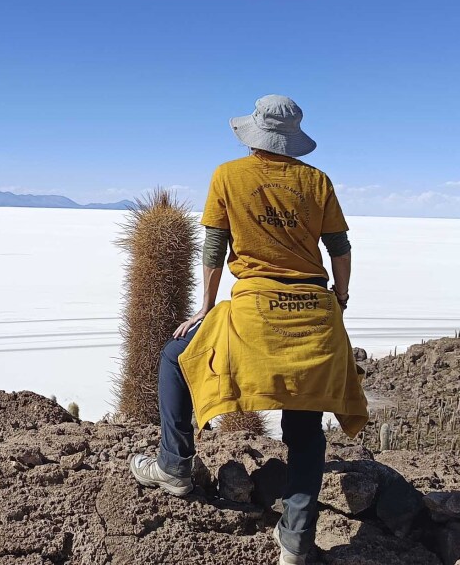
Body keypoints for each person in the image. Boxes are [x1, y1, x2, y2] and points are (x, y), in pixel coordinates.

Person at [129, 95, 368, 565]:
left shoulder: (228, 175)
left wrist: (204, 308)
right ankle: (296, 538)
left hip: (255, 308)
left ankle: (174, 465)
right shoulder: (316, 181)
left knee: (176, 356)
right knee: (304, 419)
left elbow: (214, 248)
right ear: (293, 139)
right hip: (314, 312)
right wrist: (339, 298)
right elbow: (340, 249)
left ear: (254, 132)